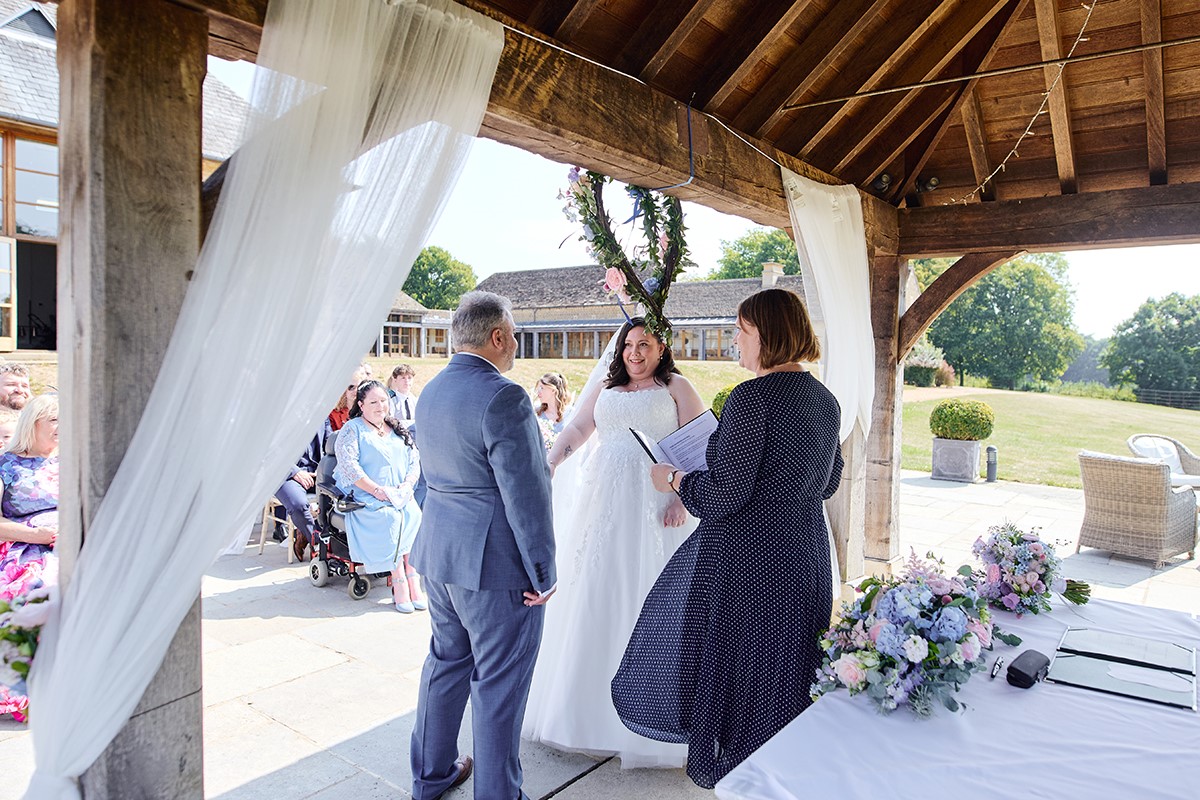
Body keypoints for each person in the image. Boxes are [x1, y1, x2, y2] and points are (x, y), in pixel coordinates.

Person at [612, 288, 843, 789]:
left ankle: (745, 782)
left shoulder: (751, 399)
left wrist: (673, 479)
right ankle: (781, 776)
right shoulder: (825, 399)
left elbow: (722, 496)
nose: (735, 340)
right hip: (805, 555)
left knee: (742, 678)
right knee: (787, 670)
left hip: (748, 564)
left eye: (742, 330)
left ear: (769, 335)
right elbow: (828, 482)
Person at [522, 317, 705, 768]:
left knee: (652, 598)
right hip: (604, 502)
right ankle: (584, 714)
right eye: (628, 344)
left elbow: (702, 446)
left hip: (659, 503)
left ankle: (655, 716)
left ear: (662, 348)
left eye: (645, 344)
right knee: (595, 591)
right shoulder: (606, 389)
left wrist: (684, 495)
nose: (635, 352)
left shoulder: (677, 387)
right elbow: (578, 431)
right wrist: (550, 463)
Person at [409, 291, 555, 800]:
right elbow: (527, 494)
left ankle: (431, 777)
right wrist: (543, 572)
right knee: (498, 687)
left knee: (445, 664)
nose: (515, 345)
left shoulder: (428, 393)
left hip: (438, 555)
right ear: (497, 337)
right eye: (513, 336)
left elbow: (425, 482)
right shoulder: (506, 396)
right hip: (495, 567)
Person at [334, 380, 425, 612]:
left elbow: (414, 460)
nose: (380, 406)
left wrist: (406, 486)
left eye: (383, 400)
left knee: (414, 514)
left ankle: (412, 575)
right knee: (391, 520)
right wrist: (377, 491)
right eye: (373, 402)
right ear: (361, 405)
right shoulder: (352, 429)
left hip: (399, 494)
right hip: (367, 497)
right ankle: (399, 580)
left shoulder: (395, 428)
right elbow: (349, 467)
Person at [0, 394, 60, 721]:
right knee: (34, 591)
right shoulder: (5, 465)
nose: (61, 428)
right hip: (26, 548)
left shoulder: (71, 461)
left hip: (71, 544)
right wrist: (35, 535)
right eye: (54, 420)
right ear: (31, 424)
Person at [273, 433, 322, 561]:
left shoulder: (321, 417)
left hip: (316, 472)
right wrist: (295, 471)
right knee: (298, 505)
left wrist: (324, 468)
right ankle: (320, 545)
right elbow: (268, 449)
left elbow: (329, 443)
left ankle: (305, 533)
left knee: (345, 495)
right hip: (285, 474)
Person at [324, 366, 370, 445]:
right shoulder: (333, 415)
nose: (355, 391)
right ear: (344, 390)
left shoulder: (369, 412)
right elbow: (331, 442)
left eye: (359, 387)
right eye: (351, 387)